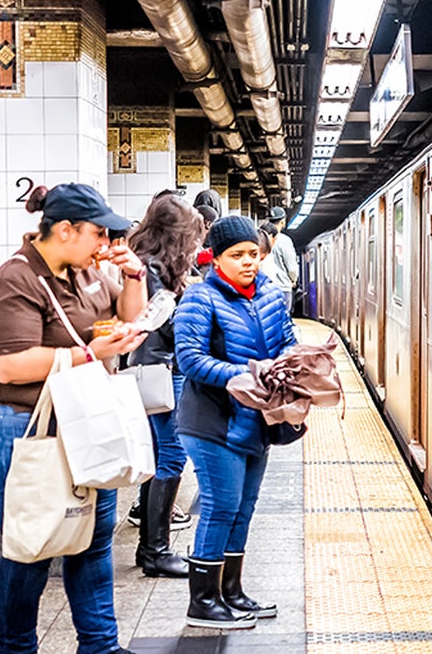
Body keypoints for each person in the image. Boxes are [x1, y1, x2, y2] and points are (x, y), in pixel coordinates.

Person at [0, 183, 149, 653]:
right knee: (30, 545)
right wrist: (89, 354)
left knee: (92, 538)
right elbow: (6, 365)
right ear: (65, 230)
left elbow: (131, 315)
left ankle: (100, 646)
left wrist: (134, 276)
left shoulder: (86, 272)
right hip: (17, 425)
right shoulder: (16, 279)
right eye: (98, 234)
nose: (105, 245)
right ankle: (16, 648)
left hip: (80, 420)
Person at [173, 216, 297, 629]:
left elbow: (287, 342)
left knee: (243, 508)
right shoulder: (199, 299)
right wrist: (242, 374)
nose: (249, 262)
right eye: (237, 255)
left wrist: (295, 365)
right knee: (220, 505)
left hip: (257, 419)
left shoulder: (272, 296)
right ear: (217, 259)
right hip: (211, 421)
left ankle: (231, 592)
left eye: (254, 254)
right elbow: (189, 359)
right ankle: (203, 601)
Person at [122, 192, 205, 579]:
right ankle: (156, 551)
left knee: (158, 455)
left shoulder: (145, 261)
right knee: (171, 455)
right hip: (161, 368)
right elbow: (158, 322)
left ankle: (148, 549)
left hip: (154, 366)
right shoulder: (153, 269)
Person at [263, 207, 300, 311]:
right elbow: (292, 268)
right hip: (282, 287)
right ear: (283, 222)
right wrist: (293, 280)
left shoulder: (260, 237)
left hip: (265, 288)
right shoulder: (284, 241)